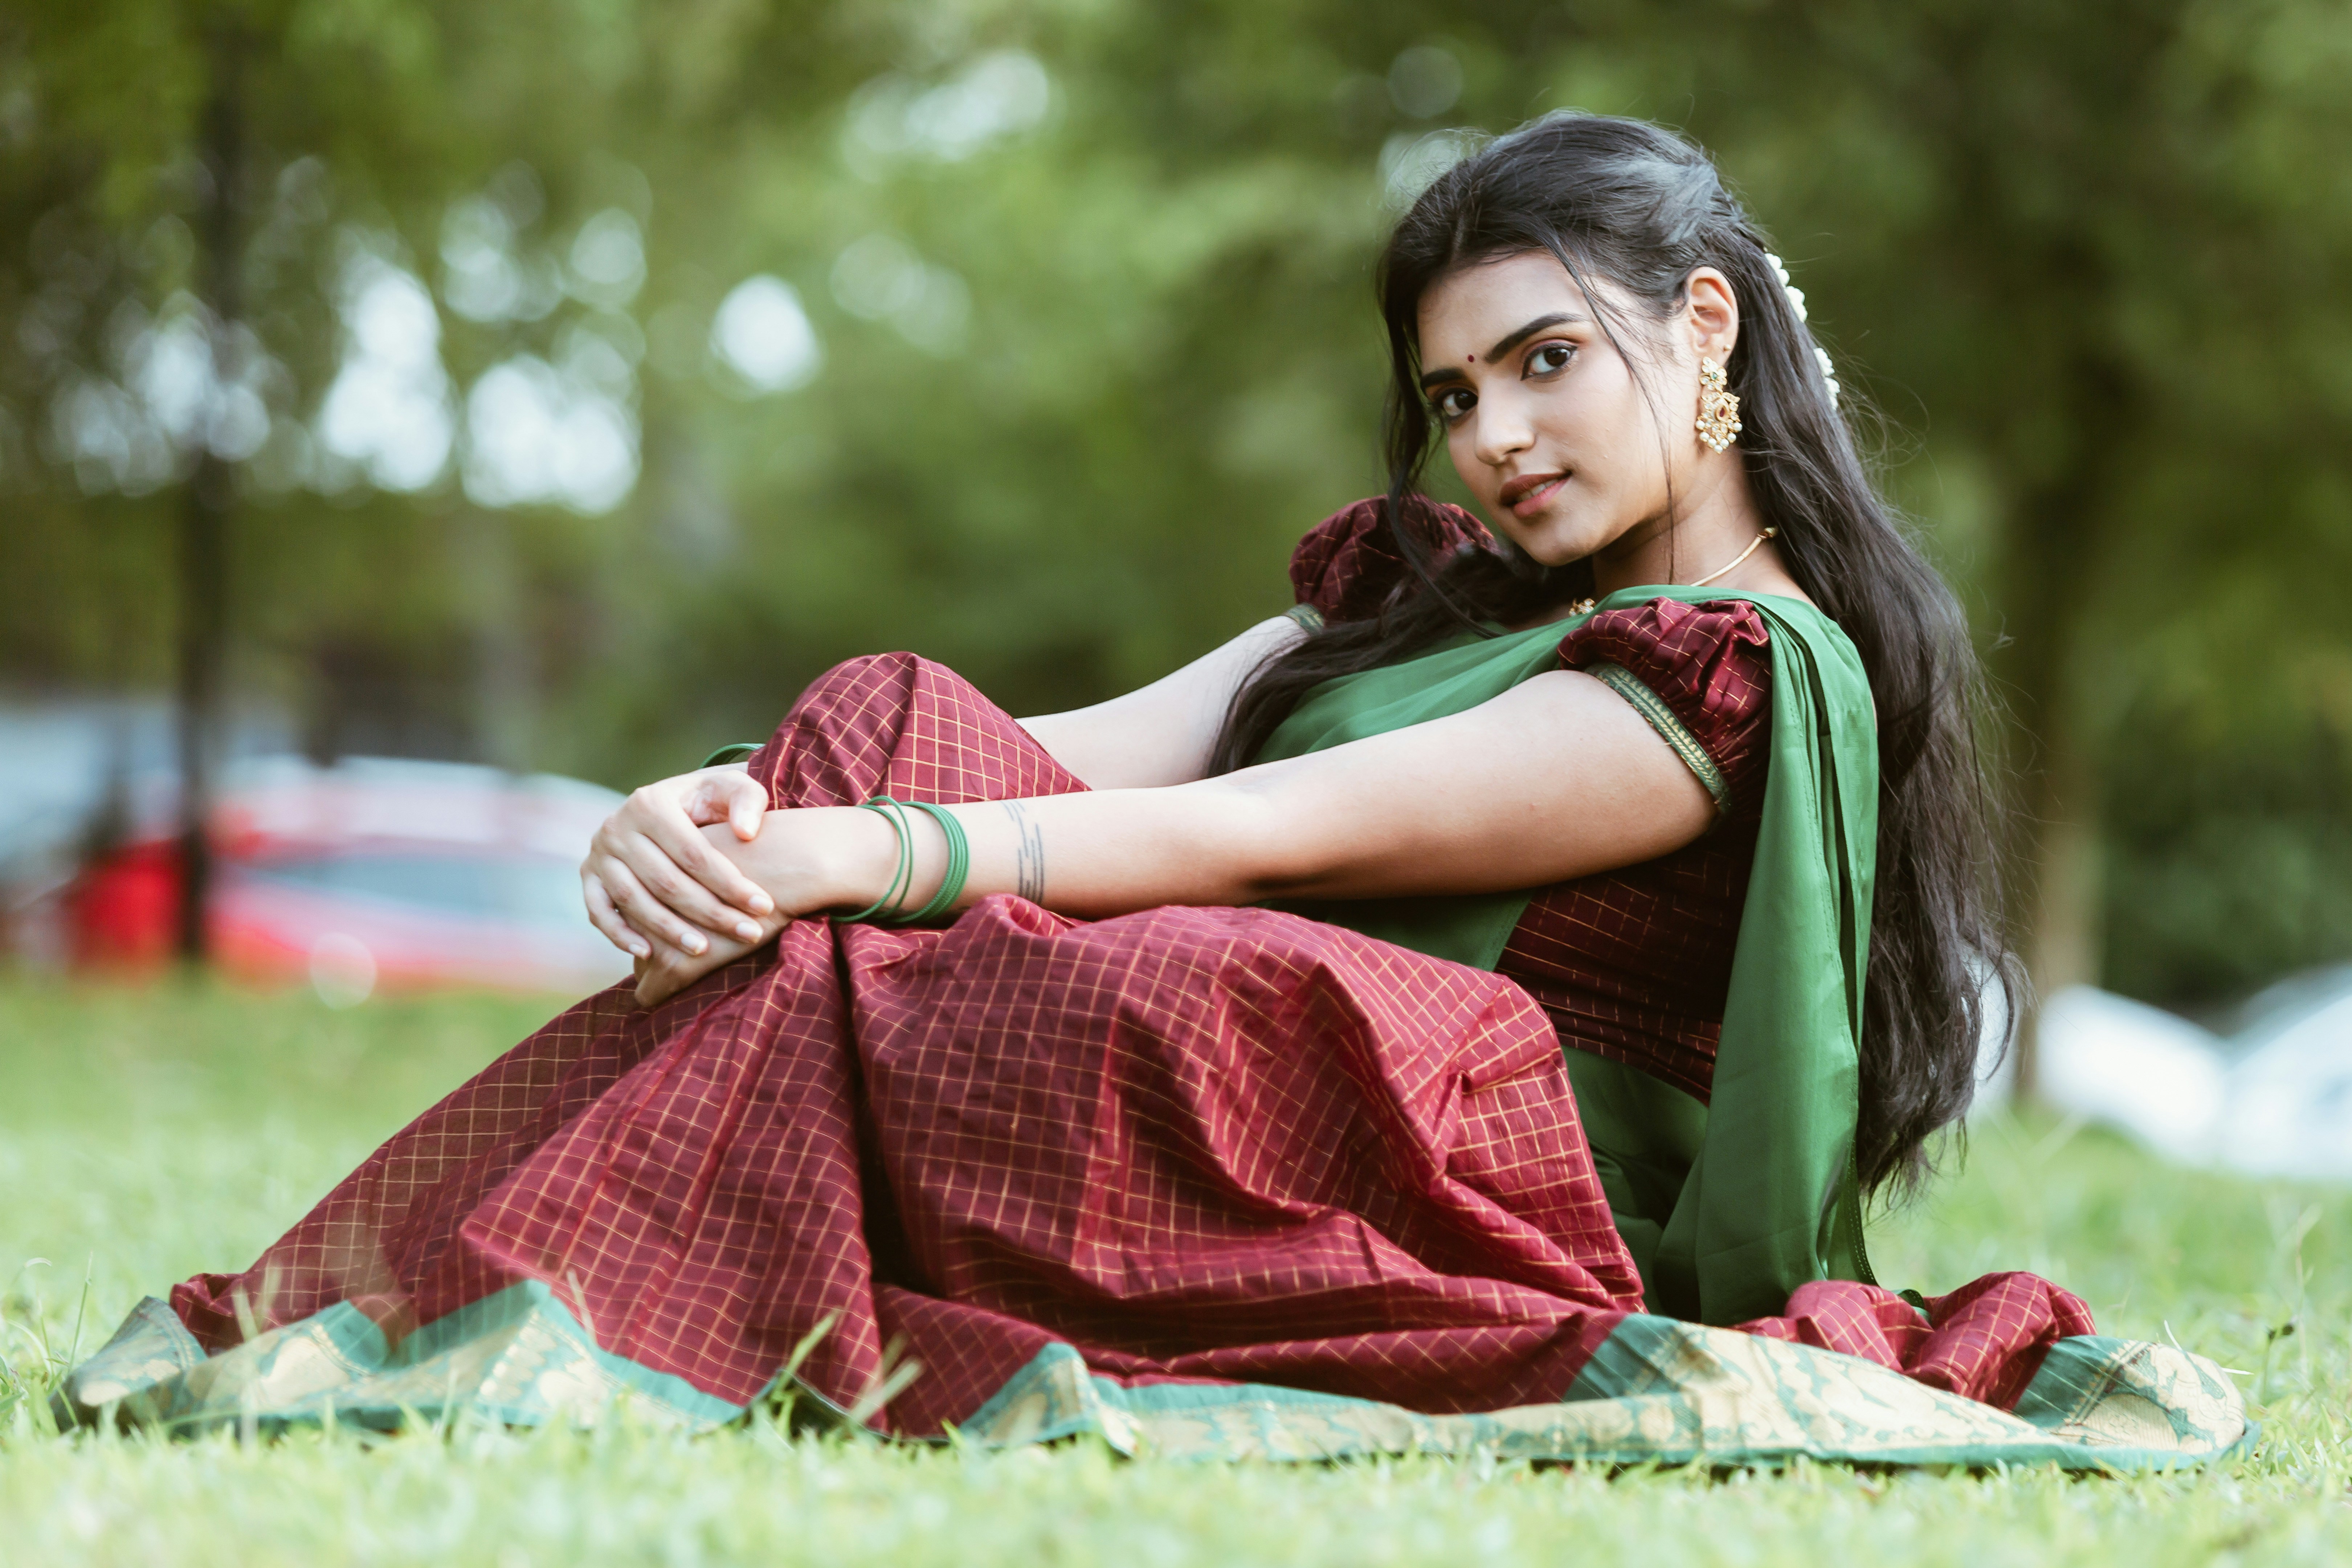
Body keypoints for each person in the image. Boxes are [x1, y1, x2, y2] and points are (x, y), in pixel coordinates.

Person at [65, 113, 2243, 1467]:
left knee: (1170, 955)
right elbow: (1066, 757)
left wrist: (864, 855)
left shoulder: (1740, 674)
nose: (1493, 434)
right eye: (1453, 393)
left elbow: (1259, 838)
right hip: (1252, 1038)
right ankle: (569, 1267)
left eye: (1545, 361)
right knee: (886, 704)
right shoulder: (1426, 597)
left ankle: (550, 1274)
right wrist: (721, 806)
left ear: (1704, 331)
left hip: (1461, 1155)